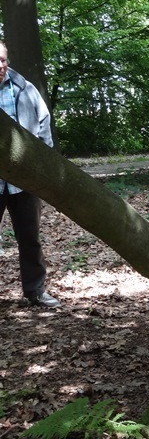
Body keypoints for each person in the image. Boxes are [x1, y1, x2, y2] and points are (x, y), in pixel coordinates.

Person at [0, 40, 59, 307]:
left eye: (3, 60)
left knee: (30, 238)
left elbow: (43, 123)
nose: (1, 66)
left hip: (24, 180)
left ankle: (35, 291)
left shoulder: (24, 88)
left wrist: (43, 168)